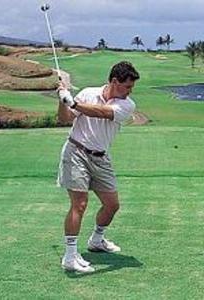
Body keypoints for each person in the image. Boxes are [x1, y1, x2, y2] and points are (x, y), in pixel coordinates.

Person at [56, 61, 140, 273]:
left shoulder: (127, 105)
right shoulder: (87, 93)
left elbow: (102, 112)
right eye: (127, 86)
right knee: (80, 204)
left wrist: (73, 103)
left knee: (112, 205)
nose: (130, 91)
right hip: (76, 151)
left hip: (101, 157)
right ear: (114, 81)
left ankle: (96, 240)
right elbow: (64, 118)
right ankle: (70, 256)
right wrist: (62, 100)